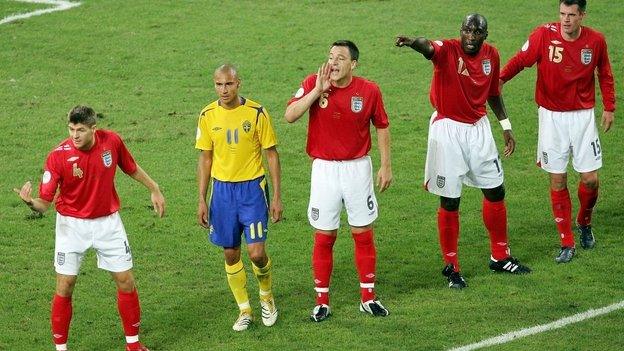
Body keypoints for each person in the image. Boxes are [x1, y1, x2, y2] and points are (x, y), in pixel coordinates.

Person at [395, 13, 531, 289]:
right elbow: (428, 47)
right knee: (450, 200)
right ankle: (452, 267)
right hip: (448, 129)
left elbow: (493, 91)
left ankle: (500, 256)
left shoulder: (491, 55)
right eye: (467, 30)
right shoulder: (448, 50)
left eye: (477, 32)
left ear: (485, 35)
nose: (471, 35)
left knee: (495, 189)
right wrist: (412, 42)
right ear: (461, 31)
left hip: (478, 129)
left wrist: (505, 125)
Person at [13, 105, 164, 351]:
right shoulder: (58, 156)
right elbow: (44, 204)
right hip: (71, 227)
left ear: (94, 129)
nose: (74, 135)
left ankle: (133, 345)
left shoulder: (111, 141)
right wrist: (30, 202)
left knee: (126, 281)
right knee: (65, 285)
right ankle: (61, 349)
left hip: (108, 223)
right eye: (71, 129)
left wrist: (154, 187)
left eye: (80, 130)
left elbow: (131, 167)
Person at [500, 0, 616, 263]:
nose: (566, 20)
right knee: (558, 179)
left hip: (583, 117)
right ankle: (567, 242)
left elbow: (605, 73)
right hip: (551, 118)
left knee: (590, 180)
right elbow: (521, 59)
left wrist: (609, 107)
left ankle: (584, 222)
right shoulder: (543, 35)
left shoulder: (596, 41)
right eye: (562, 14)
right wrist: (501, 78)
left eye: (572, 15)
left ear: (582, 16)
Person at [285, 40, 392, 322]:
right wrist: (316, 92)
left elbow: (381, 125)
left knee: (362, 232)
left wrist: (386, 165)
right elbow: (290, 115)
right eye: (331, 57)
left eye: (340, 58)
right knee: (324, 235)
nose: (333, 62)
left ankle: (368, 298)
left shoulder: (369, 90)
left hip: (358, 169)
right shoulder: (313, 82)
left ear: (353, 64)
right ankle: (322, 301)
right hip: (324, 171)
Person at [196, 64, 283, 331]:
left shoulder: (257, 113)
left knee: (256, 253)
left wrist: (277, 196)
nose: (224, 90)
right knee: (231, 253)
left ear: (238, 84)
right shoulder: (207, 115)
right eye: (219, 84)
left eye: (229, 84)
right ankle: (244, 310)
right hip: (222, 192)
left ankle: (266, 298)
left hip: (252, 190)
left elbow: (271, 154)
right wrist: (202, 197)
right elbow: (205, 158)